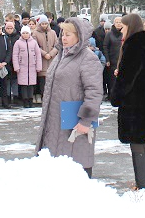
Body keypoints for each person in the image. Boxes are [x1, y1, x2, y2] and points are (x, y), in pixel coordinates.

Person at [35, 18, 103, 177]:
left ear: (80, 36)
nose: (63, 38)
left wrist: (86, 121)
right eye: (62, 34)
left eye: (68, 35)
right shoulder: (60, 56)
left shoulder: (88, 58)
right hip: (54, 120)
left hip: (75, 123)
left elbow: (94, 92)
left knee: (76, 165)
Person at [110, 13, 145, 189]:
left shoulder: (134, 45)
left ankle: (142, 183)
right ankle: (144, 180)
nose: (120, 30)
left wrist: (115, 95)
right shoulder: (144, 43)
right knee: (143, 143)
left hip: (134, 102)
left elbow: (128, 77)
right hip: (144, 99)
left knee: (137, 143)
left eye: (123, 27)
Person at [13, 26, 42, 108]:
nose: (25, 35)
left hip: (32, 67)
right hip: (22, 67)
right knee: (24, 85)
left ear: (29, 34)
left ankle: (30, 99)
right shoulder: (18, 43)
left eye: (27, 33)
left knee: (31, 85)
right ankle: (25, 100)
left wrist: (38, 66)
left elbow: (38, 54)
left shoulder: (34, 42)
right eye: (23, 33)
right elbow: (15, 55)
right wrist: (16, 66)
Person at [32, 15, 58, 105]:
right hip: (42, 59)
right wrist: (44, 54)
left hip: (52, 59)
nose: (44, 25)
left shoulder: (53, 32)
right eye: (42, 23)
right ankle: (43, 96)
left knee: (51, 79)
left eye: (45, 23)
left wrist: (51, 54)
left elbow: (57, 45)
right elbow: (35, 46)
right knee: (42, 80)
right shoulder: (35, 33)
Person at [103, 16, 124, 98]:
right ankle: (112, 96)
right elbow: (105, 46)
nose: (119, 24)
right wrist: (107, 59)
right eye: (117, 22)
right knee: (112, 80)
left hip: (122, 60)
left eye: (120, 22)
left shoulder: (124, 33)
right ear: (114, 24)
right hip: (112, 60)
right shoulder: (109, 34)